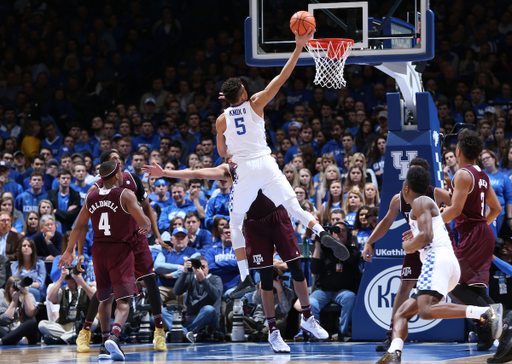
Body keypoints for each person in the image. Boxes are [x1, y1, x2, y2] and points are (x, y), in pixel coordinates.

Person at [213, 28, 349, 301]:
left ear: (226, 99)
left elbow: (221, 151)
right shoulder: (256, 102)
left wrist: (230, 136)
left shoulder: (221, 119)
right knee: (293, 206)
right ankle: (321, 233)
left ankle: (244, 278)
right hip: (267, 163)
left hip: (245, 168)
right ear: (243, 91)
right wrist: (299, 47)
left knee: (236, 223)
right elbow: (282, 77)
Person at [141, 162, 329, 352]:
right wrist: (166, 172)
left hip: (278, 214)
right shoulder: (230, 168)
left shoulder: (260, 156)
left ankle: (308, 317)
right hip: (254, 223)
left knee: (296, 267)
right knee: (265, 278)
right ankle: (273, 331)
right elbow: (199, 172)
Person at [376, 167, 503, 364]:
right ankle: (394, 353)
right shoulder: (421, 206)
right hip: (445, 263)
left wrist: (408, 245)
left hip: (437, 259)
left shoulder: (420, 201)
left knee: (426, 311)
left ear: (406, 187)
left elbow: (427, 237)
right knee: (402, 313)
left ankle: (484, 312)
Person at [73, 150, 167, 354]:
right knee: (103, 291)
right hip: (113, 242)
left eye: (118, 159)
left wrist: (157, 235)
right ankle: (86, 331)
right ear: (106, 168)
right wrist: (80, 251)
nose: (117, 162)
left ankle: (159, 330)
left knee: (150, 279)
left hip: (135, 237)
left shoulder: (132, 180)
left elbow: (147, 208)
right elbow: (82, 223)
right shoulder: (96, 188)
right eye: (112, 160)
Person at [59, 161, 152, 361]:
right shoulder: (125, 194)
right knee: (124, 300)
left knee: (104, 297)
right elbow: (145, 222)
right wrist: (143, 224)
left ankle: (103, 345)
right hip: (120, 249)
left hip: (99, 251)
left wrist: (69, 251)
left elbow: (78, 226)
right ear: (117, 174)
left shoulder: (90, 197)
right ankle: (114, 336)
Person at [363, 158, 452, 352]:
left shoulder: (436, 193)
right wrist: (370, 241)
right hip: (417, 248)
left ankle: (482, 322)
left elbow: (459, 206)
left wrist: (440, 216)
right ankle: (392, 333)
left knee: (454, 288)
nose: (414, 177)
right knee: (404, 286)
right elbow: (386, 222)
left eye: (418, 173)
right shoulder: (399, 198)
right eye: (412, 172)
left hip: (436, 246)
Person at [441, 129, 502, 351]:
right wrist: (481, 226)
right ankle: (485, 335)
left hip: (474, 234)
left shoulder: (463, 174)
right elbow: (496, 209)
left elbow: (455, 210)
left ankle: (500, 324)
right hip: (482, 233)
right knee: (475, 288)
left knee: (452, 283)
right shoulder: (483, 175)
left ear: (458, 152)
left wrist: (433, 221)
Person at [310, 221, 361, 342]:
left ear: (348, 234)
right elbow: (314, 269)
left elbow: (352, 260)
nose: (340, 233)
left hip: (343, 291)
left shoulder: (352, 249)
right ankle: (317, 333)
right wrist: (318, 242)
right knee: (311, 302)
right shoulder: (324, 250)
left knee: (350, 297)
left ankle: (342, 332)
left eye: (343, 230)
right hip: (323, 290)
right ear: (331, 234)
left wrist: (336, 246)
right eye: (337, 230)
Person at [37, 264, 95, 344]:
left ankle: (61, 339)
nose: (72, 277)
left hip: (81, 325)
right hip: (63, 326)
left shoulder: (88, 288)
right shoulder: (62, 291)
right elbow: (50, 298)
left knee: (94, 321)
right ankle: (73, 337)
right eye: (70, 275)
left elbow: (97, 298)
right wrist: (61, 278)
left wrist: (81, 281)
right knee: (42, 324)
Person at [173, 255, 223, 343]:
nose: (201, 269)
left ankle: (184, 332)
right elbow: (176, 291)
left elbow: (215, 295)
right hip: (191, 318)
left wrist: (203, 278)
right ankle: (187, 333)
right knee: (167, 311)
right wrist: (185, 272)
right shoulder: (190, 277)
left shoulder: (216, 279)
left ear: (208, 268)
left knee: (209, 309)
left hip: (210, 319)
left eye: (202, 266)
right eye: (198, 267)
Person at [0, 276, 38, 345]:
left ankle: (4, 341)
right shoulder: (3, 301)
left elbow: (30, 313)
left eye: (19, 287)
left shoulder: (29, 296)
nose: (16, 290)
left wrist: (26, 293)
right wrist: (14, 302)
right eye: (13, 287)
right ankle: (14, 340)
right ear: (7, 289)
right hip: (8, 332)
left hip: (26, 334)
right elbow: (4, 320)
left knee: (32, 323)